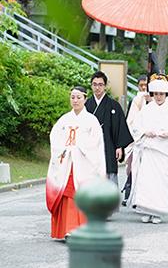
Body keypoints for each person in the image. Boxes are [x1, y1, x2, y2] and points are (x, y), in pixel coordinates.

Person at [46, 86, 106, 239]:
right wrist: (64, 149)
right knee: (66, 195)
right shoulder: (64, 119)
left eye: (79, 97)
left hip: (83, 164)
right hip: (67, 163)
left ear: (85, 99)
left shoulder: (91, 120)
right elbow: (55, 137)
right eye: (72, 97)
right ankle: (65, 229)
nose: (75, 100)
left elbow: (95, 143)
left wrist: (79, 149)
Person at [128, 74, 168, 224]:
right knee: (146, 181)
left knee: (161, 182)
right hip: (149, 149)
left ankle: (158, 212)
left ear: (166, 94)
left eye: (161, 94)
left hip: (164, 151)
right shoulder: (146, 110)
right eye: (156, 94)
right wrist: (144, 132)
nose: (159, 97)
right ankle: (146, 210)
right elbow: (136, 126)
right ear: (152, 94)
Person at [85, 71, 133, 186]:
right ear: (91, 86)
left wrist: (119, 146)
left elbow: (119, 127)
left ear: (105, 86)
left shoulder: (113, 105)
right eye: (95, 84)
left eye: (100, 84)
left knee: (109, 172)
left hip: (109, 146)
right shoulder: (86, 106)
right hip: (90, 147)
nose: (97, 87)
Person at [121, 75, 151, 205]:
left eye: (146, 85)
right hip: (137, 139)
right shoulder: (137, 99)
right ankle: (129, 194)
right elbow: (130, 120)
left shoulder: (156, 99)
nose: (144, 88)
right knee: (133, 169)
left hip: (151, 141)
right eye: (141, 85)